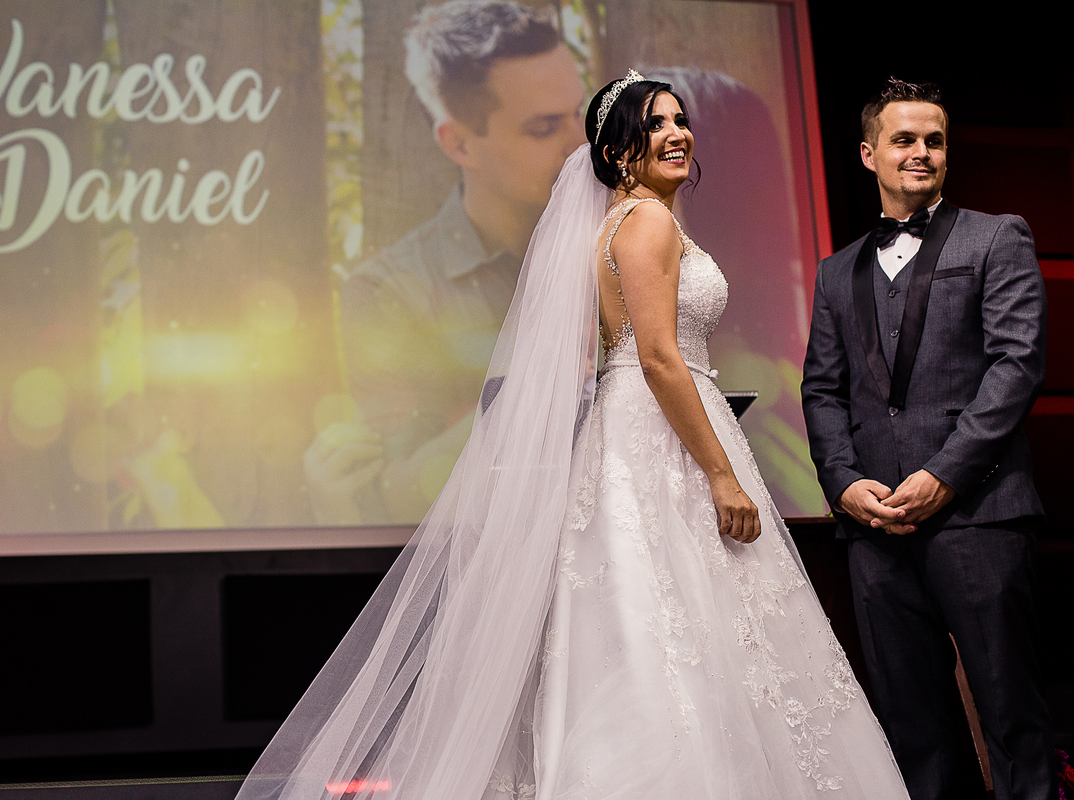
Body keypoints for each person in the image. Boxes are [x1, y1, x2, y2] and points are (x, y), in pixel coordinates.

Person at [238, 73, 910, 800]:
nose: (678, 133)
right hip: (664, 431)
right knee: (686, 625)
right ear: (619, 149)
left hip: (633, 436)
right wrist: (721, 473)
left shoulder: (614, 224)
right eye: (656, 125)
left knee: (648, 623)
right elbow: (657, 357)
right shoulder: (646, 222)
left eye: (681, 120)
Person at [801, 78, 1055, 800]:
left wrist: (944, 474)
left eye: (934, 140)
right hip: (873, 528)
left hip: (978, 514)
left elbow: (1016, 365)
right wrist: (844, 483)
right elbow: (821, 388)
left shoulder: (996, 235)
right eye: (905, 139)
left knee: (1011, 717)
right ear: (867, 153)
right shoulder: (833, 271)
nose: (921, 152)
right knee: (914, 730)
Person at [304, 0, 585, 525]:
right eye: (544, 129)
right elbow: (401, 496)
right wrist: (537, 376)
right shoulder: (390, 293)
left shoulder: (625, 233)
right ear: (459, 143)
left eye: (580, 114)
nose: (581, 145)